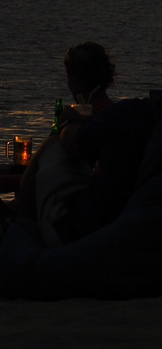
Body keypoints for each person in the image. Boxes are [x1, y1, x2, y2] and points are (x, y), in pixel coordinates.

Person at [17, 42, 161, 246]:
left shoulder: (117, 115)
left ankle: (18, 228)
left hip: (92, 225)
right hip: (124, 214)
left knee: (49, 147)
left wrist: (66, 121)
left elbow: (76, 145)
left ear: (75, 79)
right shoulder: (134, 115)